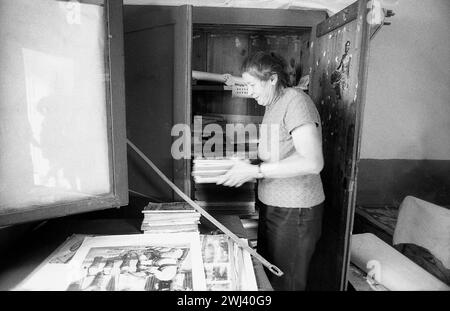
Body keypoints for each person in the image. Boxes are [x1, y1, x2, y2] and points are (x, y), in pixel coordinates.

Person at [216, 51, 325, 291]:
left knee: (287, 282)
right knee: (267, 277)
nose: (250, 91)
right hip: (273, 206)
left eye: (253, 85)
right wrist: (246, 163)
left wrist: (256, 171)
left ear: (273, 78)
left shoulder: (295, 100)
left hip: (295, 211)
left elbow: (312, 162)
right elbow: (282, 153)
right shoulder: (272, 104)